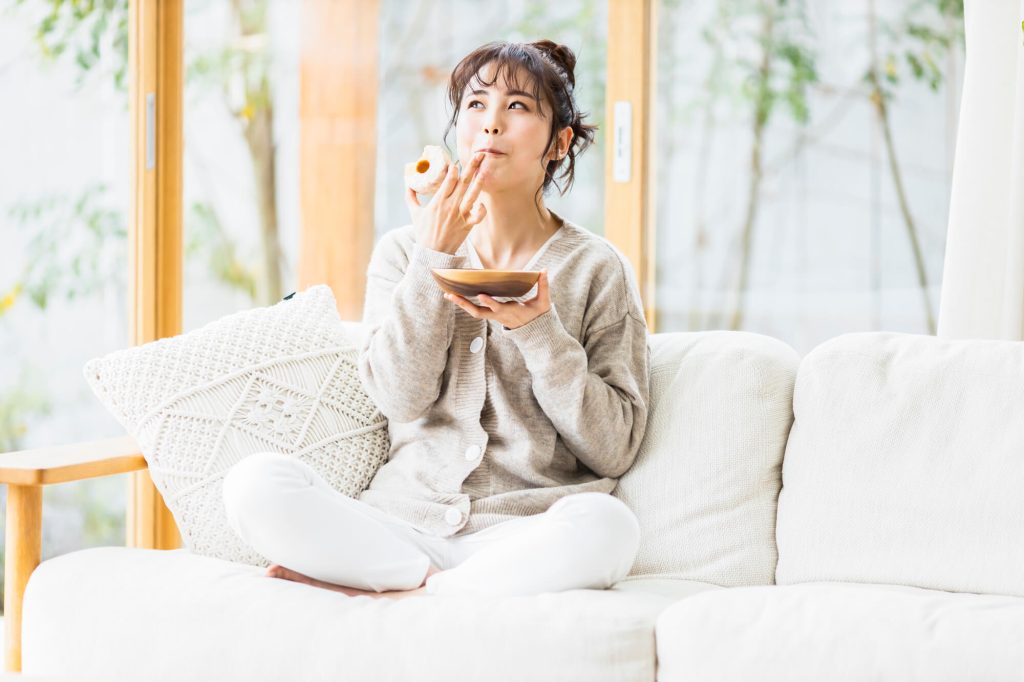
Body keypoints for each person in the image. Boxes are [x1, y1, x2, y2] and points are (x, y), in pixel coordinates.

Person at [222, 39, 651, 599]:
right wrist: (434, 257)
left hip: (521, 536)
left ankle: (403, 592)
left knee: (609, 528)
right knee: (253, 484)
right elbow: (399, 398)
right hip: (400, 526)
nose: (491, 124)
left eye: (518, 107)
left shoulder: (596, 267)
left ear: (558, 144)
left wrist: (538, 331)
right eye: (476, 105)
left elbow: (614, 446)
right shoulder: (405, 252)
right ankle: (433, 586)